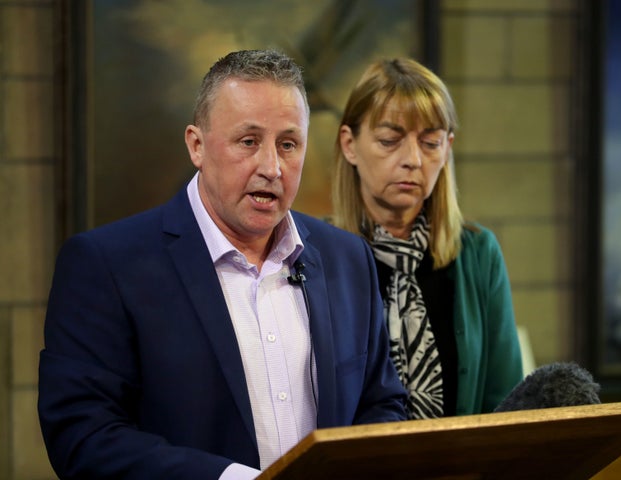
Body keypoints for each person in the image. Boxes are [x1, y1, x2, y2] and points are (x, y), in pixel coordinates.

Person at [38, 49, 407, 480]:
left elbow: (382, 405)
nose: (271, 167)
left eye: (288, 145)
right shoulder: (105, 265)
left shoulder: (348, 259)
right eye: (248, 141)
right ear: (197, 145)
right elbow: (84, 438)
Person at [332, 58, 523, 419]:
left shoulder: (478, 254)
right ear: (349, 144)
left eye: (430, 142)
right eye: (390, 140)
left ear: (448, 148)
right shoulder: (314, 254)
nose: (413, 159)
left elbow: (505, 399)